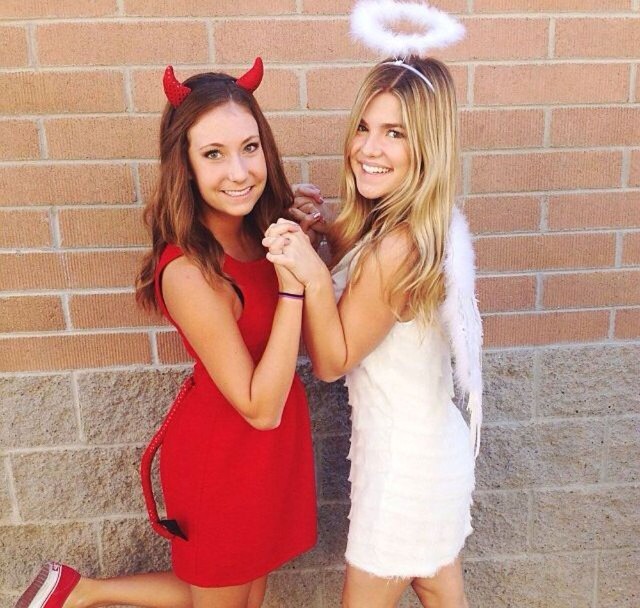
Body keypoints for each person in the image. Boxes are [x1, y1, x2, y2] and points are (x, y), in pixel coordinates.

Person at [15, 60, 317, 608]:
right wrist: (294, 285)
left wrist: (310, 241)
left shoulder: (262, 232)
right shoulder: (187, 271)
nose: (239, 172)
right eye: (213, 154)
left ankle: (79, 590)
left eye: (249, 148)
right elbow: (259, 407)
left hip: (271, 454)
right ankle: (85, 593)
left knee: (244, 593)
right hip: (225, 455)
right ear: (186, 165)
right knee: (224, 594)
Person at [263, 54, 481, 608]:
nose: (368, 148)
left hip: (404, 470)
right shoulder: (411, 227)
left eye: (394, 133)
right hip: (428, 451)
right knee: (438, 587)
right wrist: (324, 235)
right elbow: (367, 280)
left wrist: (313, 274)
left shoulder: (397, 247)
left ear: (427, 147)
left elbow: (332, 361)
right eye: (364, 127)